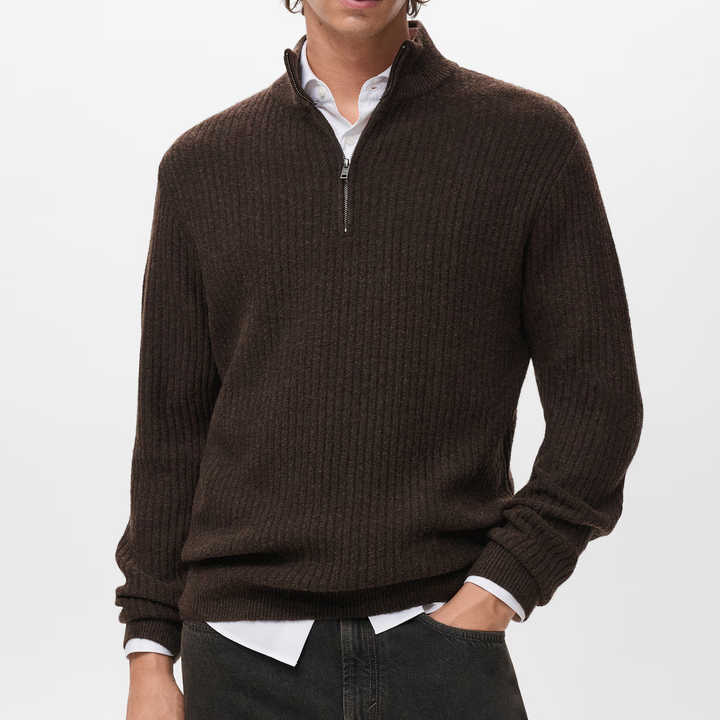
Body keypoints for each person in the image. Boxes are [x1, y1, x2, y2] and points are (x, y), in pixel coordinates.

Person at [115, 1, 643, 718]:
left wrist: (496, 593)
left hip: (443, 644)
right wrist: (149, 652)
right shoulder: (202, 165)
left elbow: (600, 411)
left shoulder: (527, 141)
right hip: (238, 659)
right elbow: (170, 435)